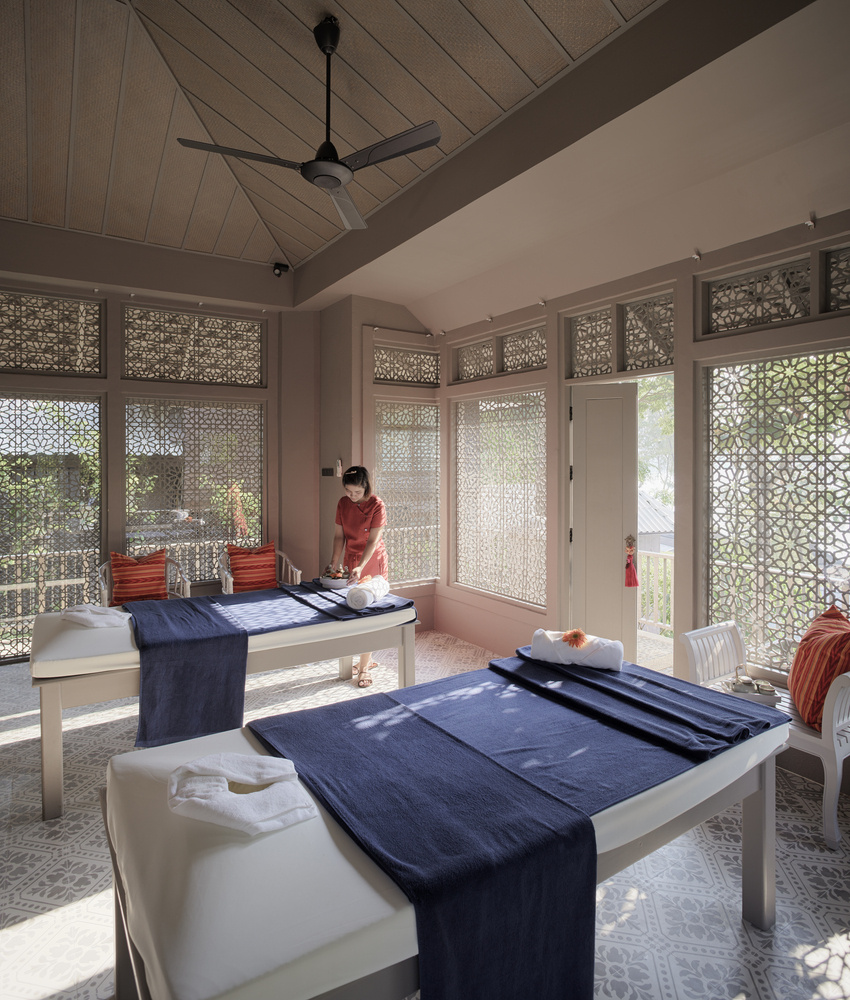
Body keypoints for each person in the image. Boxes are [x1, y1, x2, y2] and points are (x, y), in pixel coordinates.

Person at [327, 466, 388, 688]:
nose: (352, 496)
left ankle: (363, 668)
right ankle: (366, 659)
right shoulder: (342, 504)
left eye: (357, 492)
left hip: (371, 561)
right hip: (351, 559)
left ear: (366, 487)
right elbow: (339, 536)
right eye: (348, 491)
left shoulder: (377, 505)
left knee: (368, 613)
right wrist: (334, 561)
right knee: (352, 609)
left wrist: (362, 566)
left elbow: (373, 540)